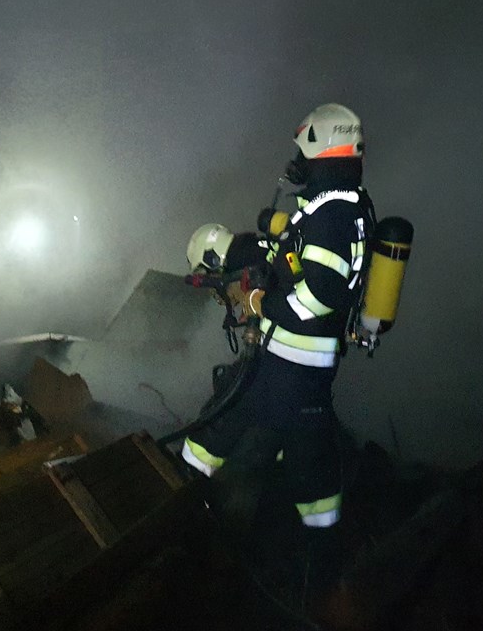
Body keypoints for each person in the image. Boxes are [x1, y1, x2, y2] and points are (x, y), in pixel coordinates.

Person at [182, 103, 375, 611]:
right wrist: (266, 249)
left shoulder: (334, 213)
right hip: (302, 373)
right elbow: (294, 261)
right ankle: (323, 571)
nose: (296, 161)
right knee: (310, 469)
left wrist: (259, 303)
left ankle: (175, 516)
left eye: (302, 151)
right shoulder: (340, 205)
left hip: (288, 370)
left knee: (216, 429)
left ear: (319, 146)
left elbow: (319, 294)